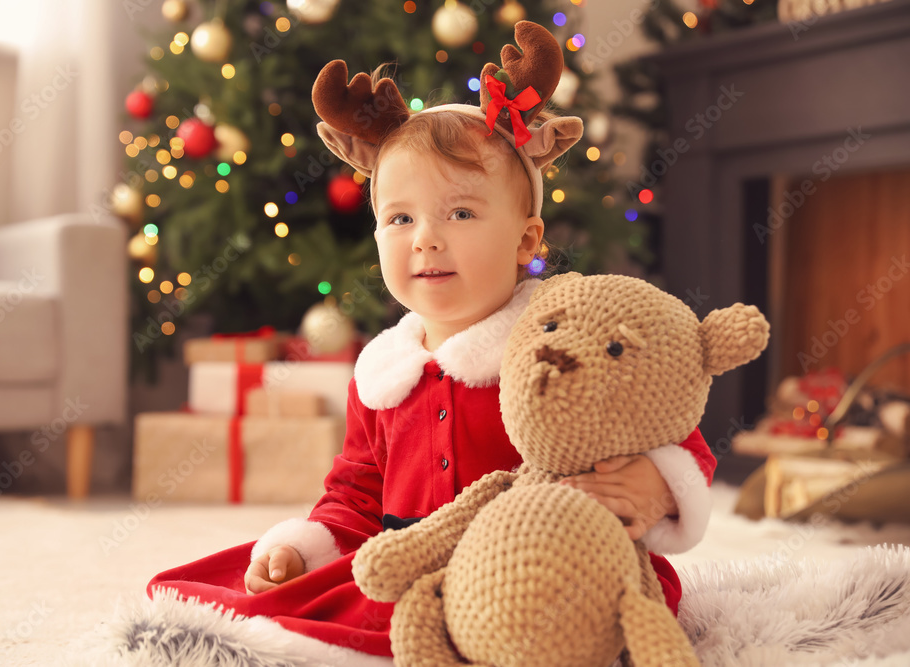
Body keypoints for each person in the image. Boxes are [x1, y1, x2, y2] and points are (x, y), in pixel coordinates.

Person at [148, 22, 716, 666]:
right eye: (400, 218)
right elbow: (358, 490)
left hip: (547, 557)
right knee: (252, 598)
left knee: (564, 626)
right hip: (415, 560)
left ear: (527, 242)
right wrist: (308, 548)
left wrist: (658, 483)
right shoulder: (385, 370)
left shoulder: (558, 337)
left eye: (461, 213)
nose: (425, 238)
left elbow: (669, 415)